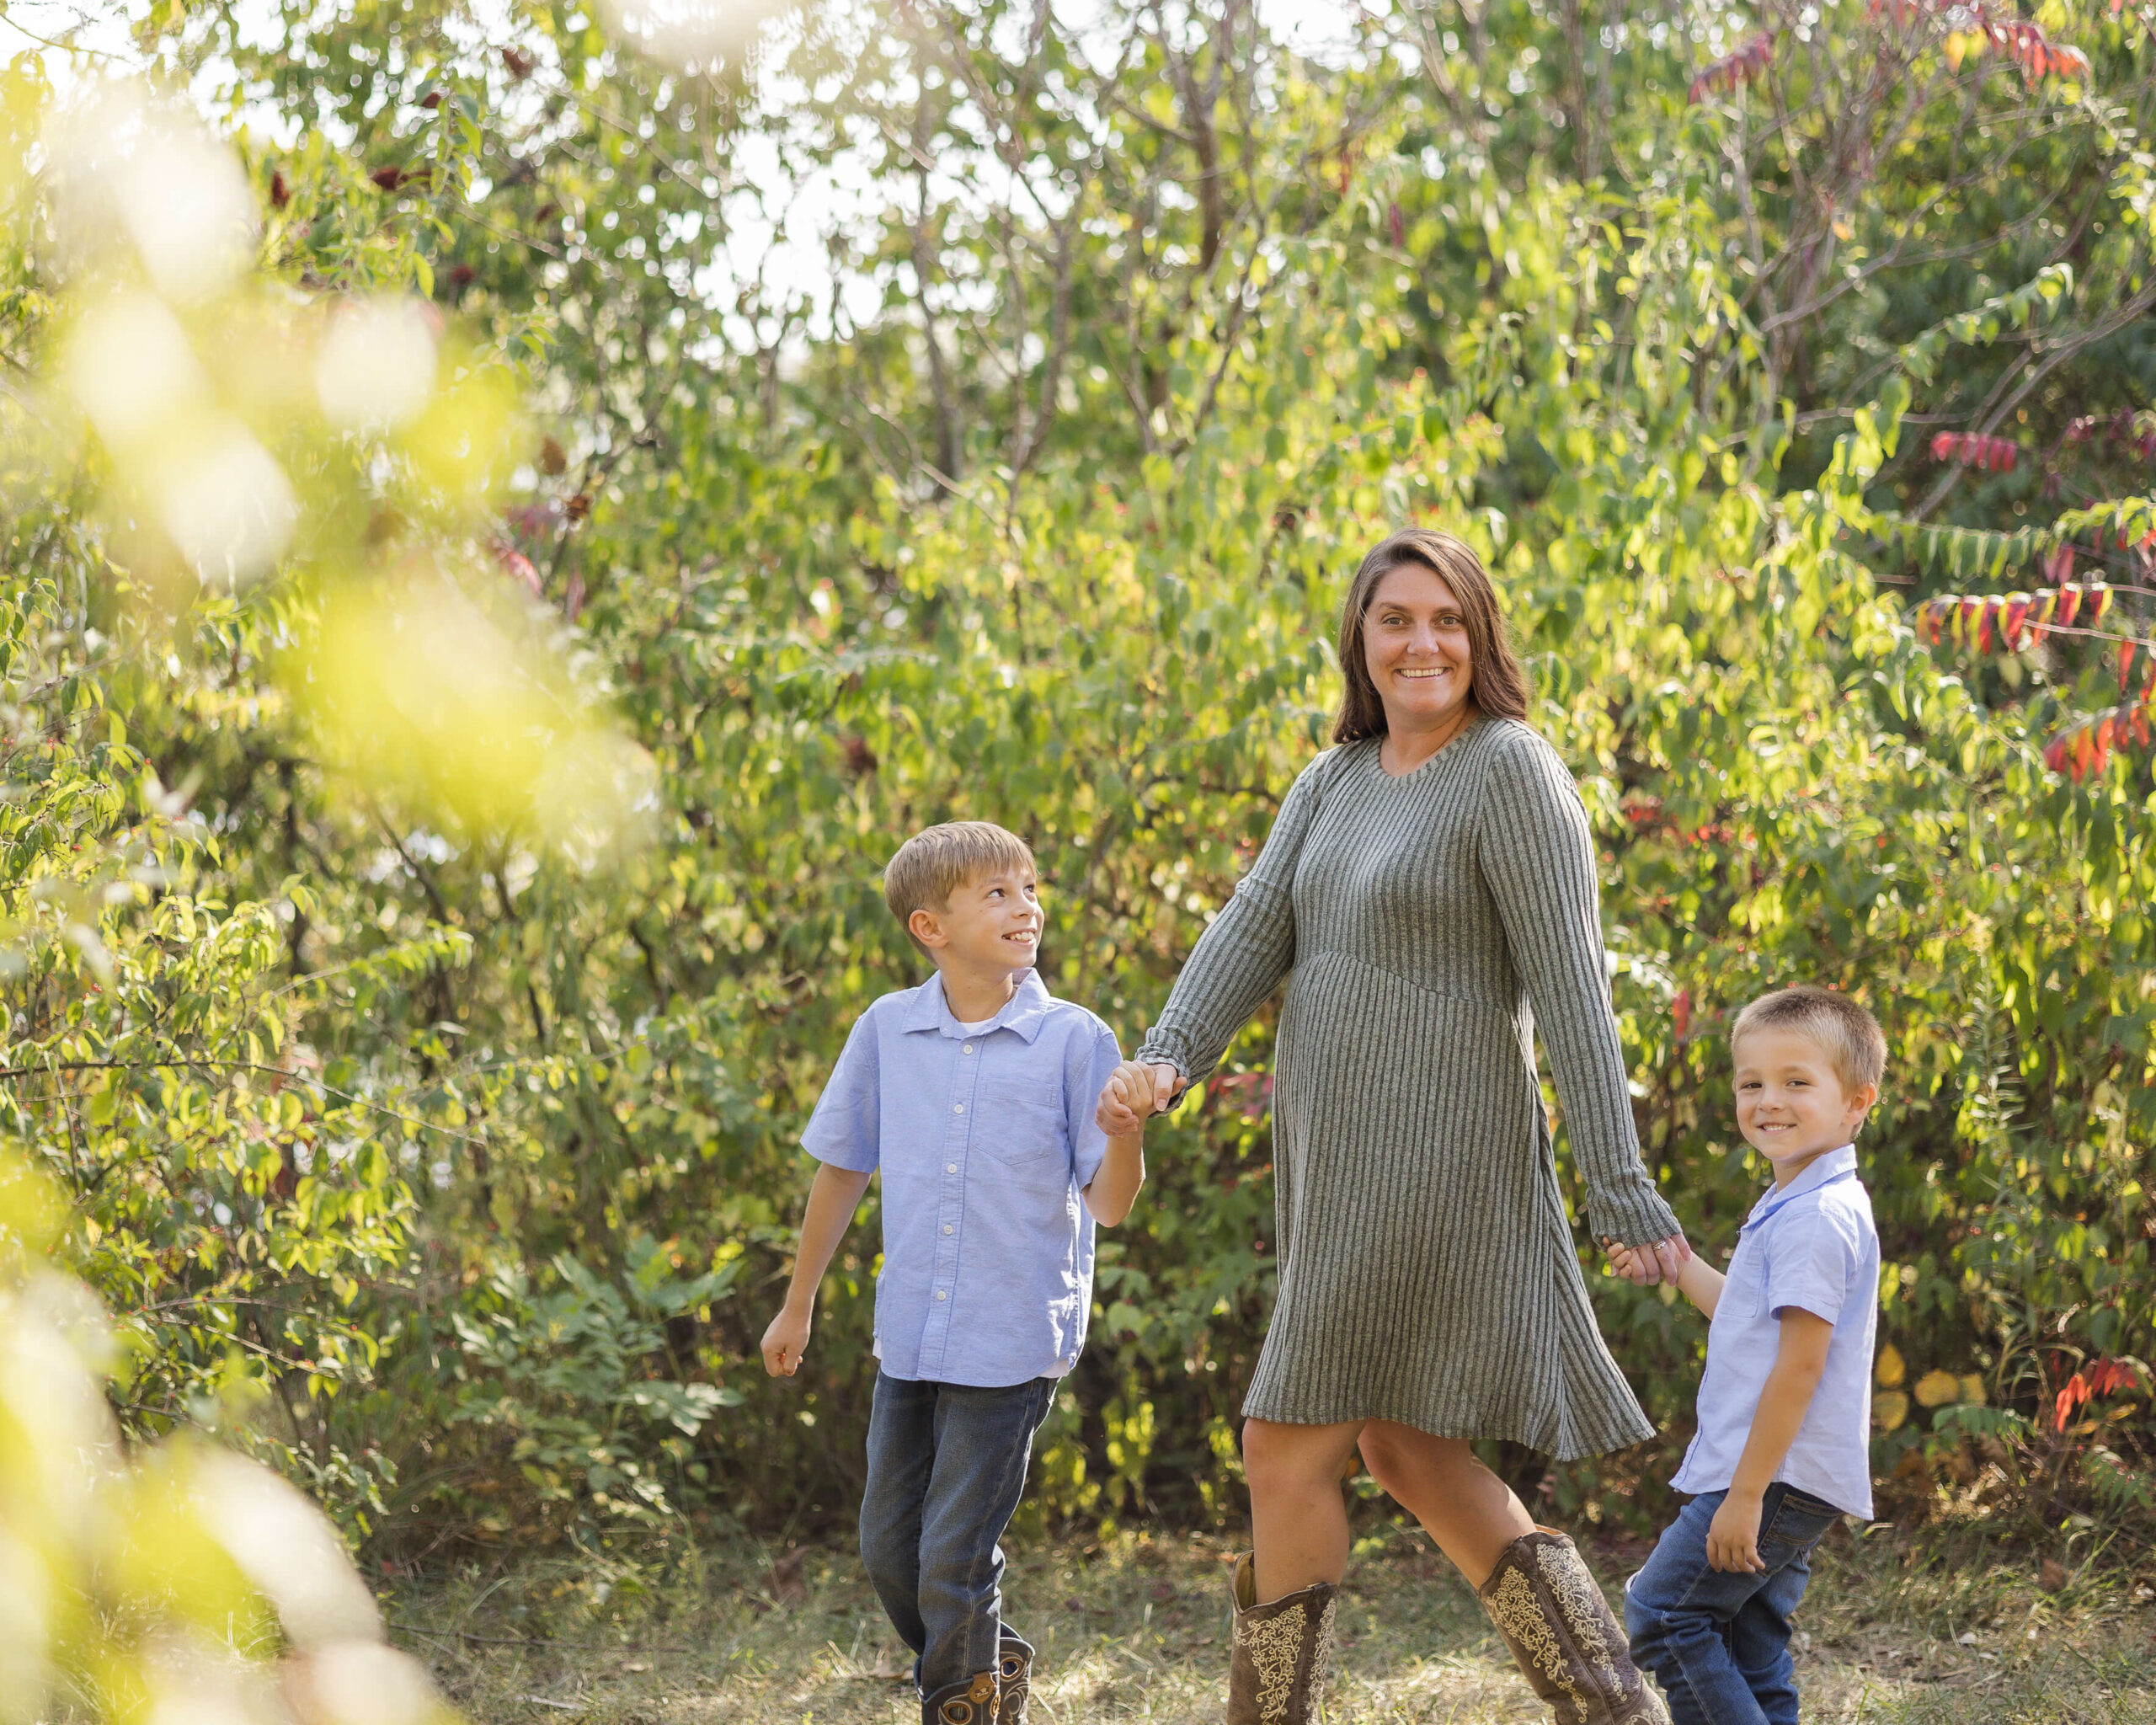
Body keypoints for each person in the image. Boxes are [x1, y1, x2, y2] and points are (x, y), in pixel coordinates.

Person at [1097, 527, 1684, 1725]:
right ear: (1361, 643)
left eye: (1447, 619)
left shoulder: (1511, 769)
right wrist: (1167, 1054)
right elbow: (1255, 922)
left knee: (1284, 1439)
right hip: (1337, 1149)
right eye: (1395, 620)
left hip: (1441, 1150)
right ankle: (1615, 1708)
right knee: (1409, 1451)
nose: (1423, 642)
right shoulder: (1335, 780)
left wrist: (1616, 1186)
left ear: (1480, 638)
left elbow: (1574, 985)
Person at [760, 821, 1150, 1725]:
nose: (1027, 906)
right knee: (891, 1551)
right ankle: (988, 1659)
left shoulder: (1073, 1038)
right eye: (998, 892)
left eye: (1028, 887)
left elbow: (1110, 1205)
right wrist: (799, 1302)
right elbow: (843, 1164)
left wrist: (1125, 1133)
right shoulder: (888, 1029)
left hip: (1010, 1339)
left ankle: (964, 1706)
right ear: (930, 926)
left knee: (953, 1558)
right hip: (910, 1335)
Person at [1613, 985, 1885, 1725]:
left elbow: (1800, 1368)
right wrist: (1674, 1262)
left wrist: (1743, 1494)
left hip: (1771, 1475)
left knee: (1663, 1615)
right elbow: (1748, 1318)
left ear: (1858, 1102)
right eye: (1752, 1083)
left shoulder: (1816, 1219)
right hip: (1789, 1475)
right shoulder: (1804, 1203)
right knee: (1748, 1641)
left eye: (1798, 1082)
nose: (1770, 1100)